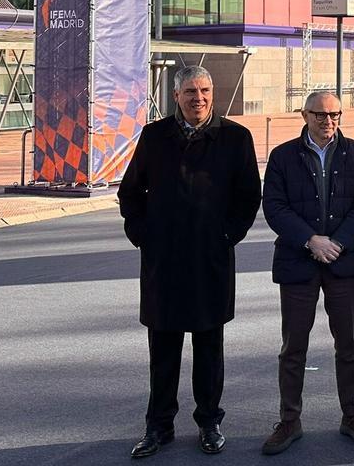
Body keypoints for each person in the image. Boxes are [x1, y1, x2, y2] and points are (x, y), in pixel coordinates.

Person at [118, 66, 261, 458]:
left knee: (209, 348)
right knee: (162, 350)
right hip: (163, 263)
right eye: (189, 91)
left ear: (212, 94)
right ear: (176, 96)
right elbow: (130, 193)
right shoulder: (154, 136)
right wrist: (143, 236)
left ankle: (210, 422)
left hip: (209, 260)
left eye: (204, 90)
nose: (198, 97)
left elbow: (249, 197)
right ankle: (158, 426)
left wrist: (227, 236)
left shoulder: (235, 138)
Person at [259, 91, 354, 455]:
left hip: (342, 262)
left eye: (335, 115)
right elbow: (274, 206)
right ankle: (290, 420)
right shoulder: (282, 156)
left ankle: (352, 415)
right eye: (321, 115)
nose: (328, 121)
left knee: (348, 344)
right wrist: (311, 241)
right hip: (299, 262)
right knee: (293, 347)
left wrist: (337, 243)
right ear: (304, 114)